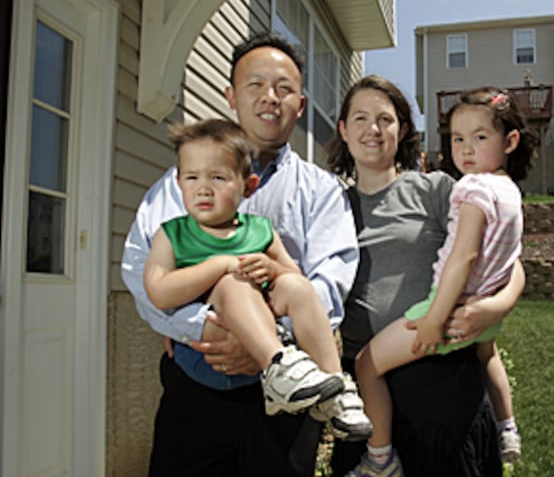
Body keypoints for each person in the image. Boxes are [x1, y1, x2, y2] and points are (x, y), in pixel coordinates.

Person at [121, 32, 359, 476]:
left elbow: (330, 282)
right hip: (197, 387)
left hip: (289, 402)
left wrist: (269, 345)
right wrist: (206, 332)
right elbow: (140, 271)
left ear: (301, 105)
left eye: (284, 88)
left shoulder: (322, 192)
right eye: (255, 85)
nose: (270, 98)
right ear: (231, 95)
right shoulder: (181, 182)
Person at [326, 75, 527, 477]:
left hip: (442, 384)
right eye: (360, 118)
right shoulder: (330, 206)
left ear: (401, 130)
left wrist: (494, 308)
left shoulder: (438, 190)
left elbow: (506, 260)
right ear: (344, 130)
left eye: (384, 119)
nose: (373, 129)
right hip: (367, 385)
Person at [142, 118, 372, 440]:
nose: (204, 188)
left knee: (296, 285)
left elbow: (295, 280)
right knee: (232, 281)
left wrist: (273, 269)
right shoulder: (172, 235)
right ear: (179, 183)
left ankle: (335, 388)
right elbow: (159, 292)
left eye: (218, 178)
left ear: (248, 186)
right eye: (192, 177)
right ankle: (278, 366)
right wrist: (221, 265)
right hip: (206, 359)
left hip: (259, 357)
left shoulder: (260, 230)